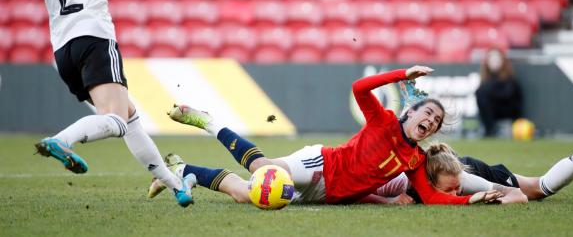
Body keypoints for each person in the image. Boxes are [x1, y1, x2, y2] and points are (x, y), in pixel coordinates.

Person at [0, 0, 219, 207]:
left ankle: (175, 184)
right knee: (115, 119)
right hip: (95, 41)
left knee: (129, 117)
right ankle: (61, 141)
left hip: (62, 52)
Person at [149, 66, 503, 205]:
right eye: (427, 112)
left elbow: (431, 195)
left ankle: (181, 172)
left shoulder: (414, 158)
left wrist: (474, 199)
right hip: (319, 164)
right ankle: (211, 123)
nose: (431, 121)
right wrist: (400, 75)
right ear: (410, 112)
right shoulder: (383, 120)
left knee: (246, 196)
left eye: (436, 121)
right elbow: (360, 87)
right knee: (263, 170)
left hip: (327, 195)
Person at [376, 129, 573, 201]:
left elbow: (519, 197)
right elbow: (360, 191)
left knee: (539, 189)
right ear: (428, 183)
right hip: (449, 165)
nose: (456, 194)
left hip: (474, 168)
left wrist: (488, 198)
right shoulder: (403, 182)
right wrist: (391, 201)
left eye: (456, 189)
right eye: (451, 190)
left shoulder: (467, 180)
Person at [475, 48, 523, 137]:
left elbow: (508, 95)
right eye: (491, 59)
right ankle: (489, 129)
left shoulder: (509, 78)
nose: (494, 62)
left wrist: (489, 92)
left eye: (497, 59)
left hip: (507, 110)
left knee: (483, 94)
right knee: (480, 94)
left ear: (502, 61)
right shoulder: (485, 79)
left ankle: (490, 130)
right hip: (491, 112)